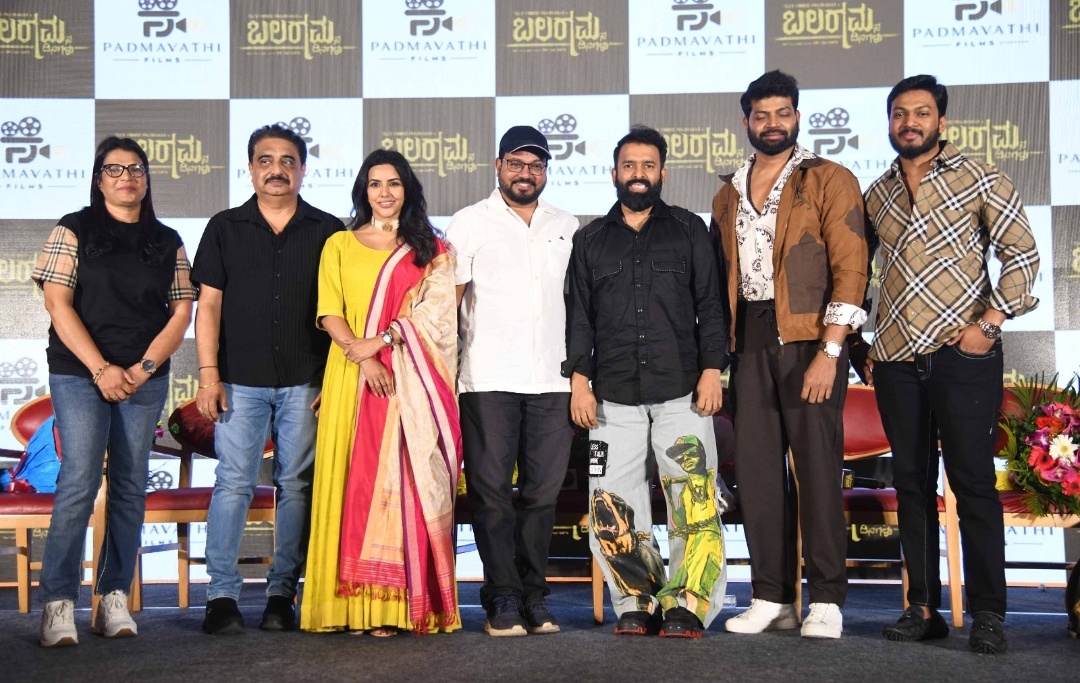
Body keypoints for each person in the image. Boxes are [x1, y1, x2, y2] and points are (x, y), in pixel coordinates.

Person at [863, 74, 1039, 655]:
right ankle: (922, 607)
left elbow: (1022, 252)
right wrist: (863, 343)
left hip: (961, 354)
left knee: (972, 482)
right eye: (899, 113)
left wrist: (989, 325)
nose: (909, 122)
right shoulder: (878, 192)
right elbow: (859, 271)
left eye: (921, 113)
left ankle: (988, 613)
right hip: (895, 356)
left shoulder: (981, 176)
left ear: (941, 121)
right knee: (911, 485)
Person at [711, 70, 869, 640]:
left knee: (818, 471)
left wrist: (832, 348)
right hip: (749, 341)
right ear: (747, 121)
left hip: (811, 338)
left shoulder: (830, 178)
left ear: (797, 117)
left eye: (783, 113)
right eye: (762, 115)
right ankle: (771, 597)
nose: (773, 124)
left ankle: (825, 598)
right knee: (756, 476)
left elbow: (852, 267)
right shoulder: (727, 193)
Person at [565, 125, 729, 639]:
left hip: (683, 391)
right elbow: (579, 318)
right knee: (612, 505)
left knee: (693, 501)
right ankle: (636, 599)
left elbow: (711, 305)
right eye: (629, 166)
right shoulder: (590, 239)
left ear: (663, 173)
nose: (639, 174)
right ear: (614, 173)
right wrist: (579, 381)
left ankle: (688, 603)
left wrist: (712, 370)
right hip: (611, 397)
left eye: (648, 166)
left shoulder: (688, 229)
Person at [32, 136, 196, 647]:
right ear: (98, 179)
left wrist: (142, 369)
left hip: (143, 376)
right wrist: (102, 368)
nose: (127, 177)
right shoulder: (74, 228)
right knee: (79, 480)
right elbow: (57, 303)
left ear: (147, 178)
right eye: (114, 169)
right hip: (80, 372)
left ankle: (113, 597)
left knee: (130, 485)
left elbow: (182, 311)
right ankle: (58, 603)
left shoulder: (167, 239)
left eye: (136, 169)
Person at [301, 149, 461, 636]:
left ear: (407, 190)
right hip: (351, 374)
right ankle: (344, 607)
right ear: (363, 191)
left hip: (409, 381)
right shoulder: (339, 244)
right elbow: (329, 311)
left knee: (403, 483)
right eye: (375, 184)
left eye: (394, 183)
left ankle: (392, 608)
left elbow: (439, 319)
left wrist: (385, 340)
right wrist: (364, 355)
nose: (385, 192)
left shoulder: (431, 250)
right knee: (349, 485)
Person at [192, 124, 344, 634]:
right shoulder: (224, 227)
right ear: (251, 168)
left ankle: (283, 594)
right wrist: (209, 375)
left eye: (287, 161)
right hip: (239, 380)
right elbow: (208, 307)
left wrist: (333, 378)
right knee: (233, 483)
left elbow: (341, 309)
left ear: (303, 169)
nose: (276, 169)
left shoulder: (328, 230)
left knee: (295, 486)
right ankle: (221, 597)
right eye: (265, 160)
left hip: (307, 380)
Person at [445, 125, 579, 636]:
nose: (526, 173)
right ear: (498, 166)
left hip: (553, 379)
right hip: (488, 378)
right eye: (517, 164)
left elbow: (579, 306)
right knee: (492, 494)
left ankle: (534, 596)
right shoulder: (468, 222)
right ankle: (502, 597)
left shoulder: (566, 224)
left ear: (546, 171)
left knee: (543, 495)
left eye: (536, 165)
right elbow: (449, 304)